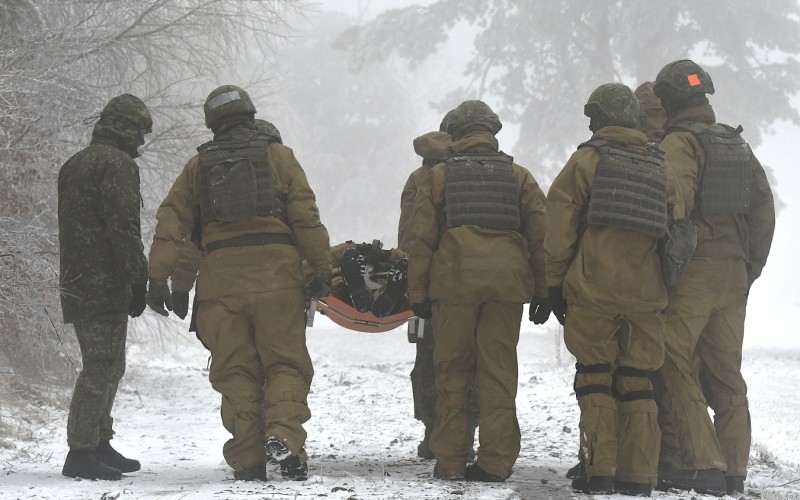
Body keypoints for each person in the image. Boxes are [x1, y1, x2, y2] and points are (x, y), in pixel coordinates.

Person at [145, 85, 332, 481]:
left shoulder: (198, 167)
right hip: (278, 279)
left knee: (236, 370)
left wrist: (162, 279)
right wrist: (320, 268)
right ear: (249, 113)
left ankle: (248, 461)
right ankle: (282, 434)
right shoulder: (279, 157)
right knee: (285, 364)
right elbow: (305, 216)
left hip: (221, 285)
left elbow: (174, 223)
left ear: (212, 121)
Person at [546, 83, 685, 496]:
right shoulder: (662, 166)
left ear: (602, 117)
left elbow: (558, 231)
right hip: (647, 295)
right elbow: (679, 236)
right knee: (638, 380)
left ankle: (600, 471)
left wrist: (553, 285)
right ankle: (639, 477)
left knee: (594, 378)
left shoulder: (586, 161)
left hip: (593, 290)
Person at [407, 100, 550, 482]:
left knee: (453, 371)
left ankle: (451, 459)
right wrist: (545, 290)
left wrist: (417, 293)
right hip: (506, 289)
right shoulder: (519, 177)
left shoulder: (438, 177)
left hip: (455, 287)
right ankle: (495, 462)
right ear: (491, 131)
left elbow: (420, 241)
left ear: (457, 132)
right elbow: (541, 238)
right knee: (498, 372)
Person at [652, 59, 775, 496]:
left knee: (673, 360)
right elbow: (763, 208)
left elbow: (673, 203)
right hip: (734, 272)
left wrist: (664, 265)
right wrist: (751, 266)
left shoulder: (680, 143)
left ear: (667, 100)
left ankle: (703, 463)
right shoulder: (736, 144)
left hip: (695, 271)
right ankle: (735, 472)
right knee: (727, 374)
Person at [58, 94, 152, 480]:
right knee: (101, 367)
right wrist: (138, 278)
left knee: (110, 364)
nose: (142, 142)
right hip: (106, 282)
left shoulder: (74, 163)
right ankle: (81, 452)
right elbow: (123, 228)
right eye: (140, 132)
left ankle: (98, 442)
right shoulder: (117, 165)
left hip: (78, 281)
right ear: (126, 128)